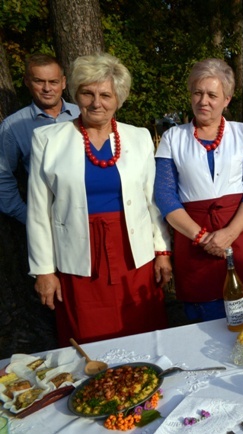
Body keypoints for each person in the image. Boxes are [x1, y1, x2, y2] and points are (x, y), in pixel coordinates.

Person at [27, 53, 171, 346]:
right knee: (90, 335)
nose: (96, 103)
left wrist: (162, 252)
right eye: (87, 93)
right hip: (79, 257)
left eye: (106, 95)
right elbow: (39, 211)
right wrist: (43, 270)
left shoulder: (139, 137)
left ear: (118, 98)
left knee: (142, 330)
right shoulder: (48, 140)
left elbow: (151, 201)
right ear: (76, 94)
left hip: (134, 253)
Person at [154, 58, 243, 322]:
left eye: (212, 95)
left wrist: (229, 233)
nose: (203, 101)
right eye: (198, 93)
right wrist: (204, 238)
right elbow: (165, 196)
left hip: (241, 236)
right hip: (194, 243)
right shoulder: (173, 138)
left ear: (226, 99)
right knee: (205, 321)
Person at [0, 53, 80, 224]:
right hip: (48, 221)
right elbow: (2, 176)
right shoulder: (13, 126)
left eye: (53, 82)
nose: (47, 88)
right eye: (39, 81)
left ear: (64, 82)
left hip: (92, 212)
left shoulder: (82, 114)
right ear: (27, 81)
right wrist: (29, 217)